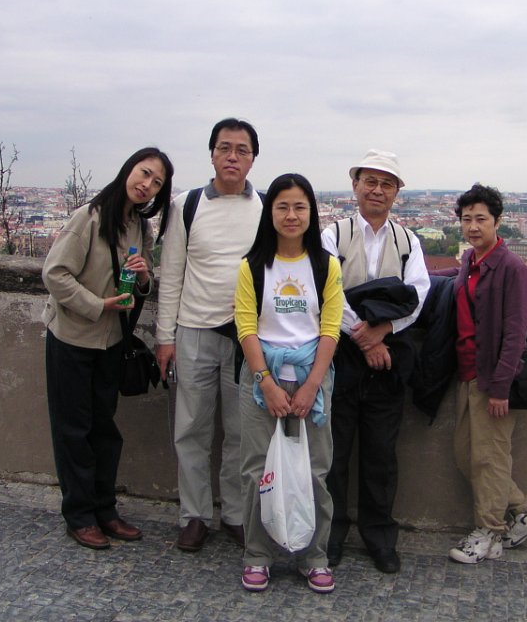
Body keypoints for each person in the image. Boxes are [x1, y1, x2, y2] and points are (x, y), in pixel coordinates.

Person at [42, 147, 174, 550]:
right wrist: (97, 305)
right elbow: (55, 273)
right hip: (73, 338)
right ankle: (80, 515)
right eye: (144, 173)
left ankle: (105, 509)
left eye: (156, 182)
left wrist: (144, 276)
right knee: (74, 429)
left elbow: (140, 285)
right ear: (128, 169)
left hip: (111, 341)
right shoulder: (89, 217)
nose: (147, 184)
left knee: (104, 427)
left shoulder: (139, 226)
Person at [156, 118, 264, 552]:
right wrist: (165, 338)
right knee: (191, 430)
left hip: (245, 338)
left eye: (242, 149)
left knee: (241, 433)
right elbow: (171, 274)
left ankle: (235, 514)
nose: (232, 156)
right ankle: (195, 515)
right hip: (194, 331)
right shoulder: (187, 205)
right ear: (212, 154)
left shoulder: (265, 208)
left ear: (253, 159)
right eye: (224, 148)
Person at [322, 149, 429, 574]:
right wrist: (365, 336)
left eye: (386, 184)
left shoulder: (408, 241)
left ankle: (379, 536)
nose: (378, 190)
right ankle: (330, 534)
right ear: (355, 186)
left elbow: (419, 295)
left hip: (387, 352)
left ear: (396, 192)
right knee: (333, 452)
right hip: (342, 352)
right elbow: (326, 290)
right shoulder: (333, 234)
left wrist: (382, 330)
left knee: (381, 455)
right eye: (370, 181)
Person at [235, 173, 343, 594]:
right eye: (282, 206)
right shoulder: (252, 266)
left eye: (300, 206)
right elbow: (246, 326)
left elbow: (330, 329)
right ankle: (257, 554)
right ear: (270, 213)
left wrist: (313, 385)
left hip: (312, 375)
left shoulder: (326, 265)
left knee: (314, 471)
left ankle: (314, 556)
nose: (292, 215)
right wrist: (265, 382)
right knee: (257, 471)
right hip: (263, 374)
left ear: (312, 212)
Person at [448, 183, 527, 564]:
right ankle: (526, 513)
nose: (473, 226)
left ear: (497, 221)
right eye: (467, 219)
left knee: (489, 460)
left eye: (481, 219)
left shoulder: (512, 267)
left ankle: (489, 533)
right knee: (467, 457)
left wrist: (501, 387)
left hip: (492, 378)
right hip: (467, 372)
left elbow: (515, 332)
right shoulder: (469, 261)